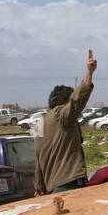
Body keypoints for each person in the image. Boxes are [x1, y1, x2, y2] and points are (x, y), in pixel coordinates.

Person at [35, 49, 97, 194]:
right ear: (63, 102)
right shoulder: (61, 115)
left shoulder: (38, 124)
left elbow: (38, 158)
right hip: (69, 184)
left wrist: (39, 186)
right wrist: (90, 72)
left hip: (51, 187)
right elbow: (78, 100)